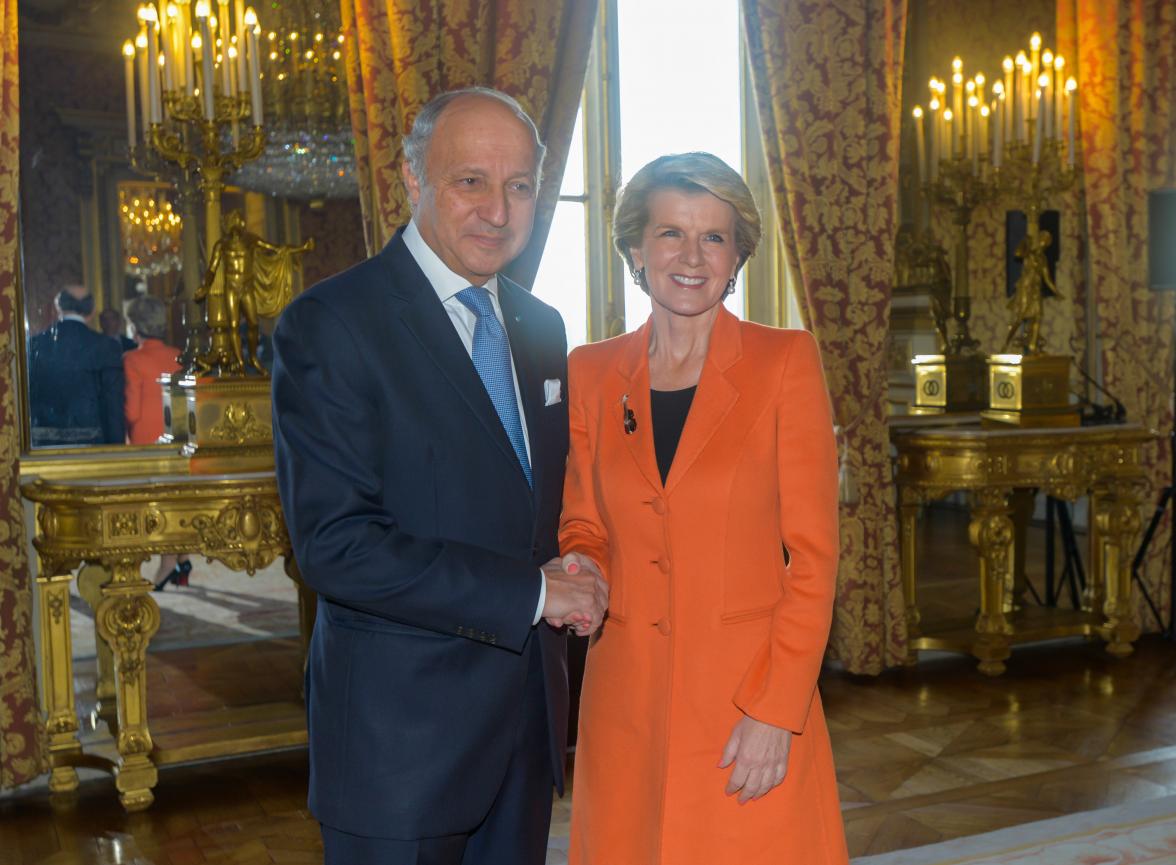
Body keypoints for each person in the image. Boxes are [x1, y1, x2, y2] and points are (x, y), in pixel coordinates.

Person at [271, 87, 607, 865]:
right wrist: (533, 592)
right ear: (413, 180)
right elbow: (336, 546)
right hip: (400, 751)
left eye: (519, 185)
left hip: (525, 734)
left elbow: (533, 507)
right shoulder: (332, 324)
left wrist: (582, 559)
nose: (499, 208)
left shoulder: (539, 326)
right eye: (471, 181)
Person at [560, 152, 848, 864]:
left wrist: (776, 709)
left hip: (746, 702)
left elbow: (813, 558)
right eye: (670, 234)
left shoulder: (785, 362)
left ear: (737, 254)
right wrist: (580, 566)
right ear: (635, 247)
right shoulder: (591, 372)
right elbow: (585, 523)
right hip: (624, 704)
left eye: (713, 237)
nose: (691, 256)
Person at [122, 295, 191, 590]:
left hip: (147, 443)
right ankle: (183, 560)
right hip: (178, 437)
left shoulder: (132, 359)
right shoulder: (178, 354)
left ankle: (166, 564)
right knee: (178, 500)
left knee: (158, 505)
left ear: (135, 325)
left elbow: (132, 411)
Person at [28, 285, 126, 447]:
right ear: (92, 311)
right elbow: (112, 405)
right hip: (91, 444)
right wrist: (116, 449)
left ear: (58, 308)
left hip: (41, 445)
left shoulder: (34, 344)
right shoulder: (106, 346)